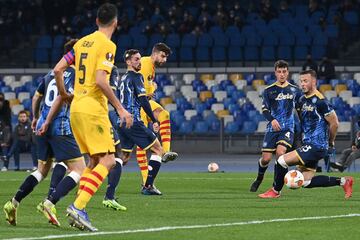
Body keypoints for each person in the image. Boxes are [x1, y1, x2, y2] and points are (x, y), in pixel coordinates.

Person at [53, 3, 132, 232]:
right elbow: (100, 80)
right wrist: (120, 108)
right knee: (109, 160)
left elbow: (58, 69)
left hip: (76, 107)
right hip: (92, 109)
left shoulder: (81, 43)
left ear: (97, 21)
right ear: (115, 23)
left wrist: (64, 94)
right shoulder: (108, 45)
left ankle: (79, 207)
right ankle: (78, 206)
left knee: (94, 162)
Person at [3, 39, 87, 227]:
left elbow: (36, 96)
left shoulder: (50, 74)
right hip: (59, 126)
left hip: (42, 123)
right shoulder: (73, 73)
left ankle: (13, 202)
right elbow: (61, 97)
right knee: (79, 169)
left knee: (41, 170)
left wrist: (36, 117)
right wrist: (48, 120)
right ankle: (49, 203)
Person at [258, 69, 353, 199]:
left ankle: (275, 191)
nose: (302, 84)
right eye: (301, 81)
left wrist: (330, 142)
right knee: (306, 181)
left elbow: (335, 123)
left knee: (281, 161)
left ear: (314, 82)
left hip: (317, 145)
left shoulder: (321, 101)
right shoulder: (301, 100)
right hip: (309, 143)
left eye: (305, 81)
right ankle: (343, 181)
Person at [116, 49, 178, 195]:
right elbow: (143, 100)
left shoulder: (123, 78)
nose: (139, 62)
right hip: (134, 120)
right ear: (129, 62)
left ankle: (100, 180)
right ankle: (148, 185)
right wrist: (154, 120)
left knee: (123, 158)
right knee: (157, 149)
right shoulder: (138, 75)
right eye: (136, 60)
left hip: (122, 121)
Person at [250, 60, 302, 192]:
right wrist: (272, 120)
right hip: (272, 128)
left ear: (288, 73)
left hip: (288, 128)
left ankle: (276, 186)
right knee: (266, 159)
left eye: (284, 71)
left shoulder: (295, 90)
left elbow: (301, 109)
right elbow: (265, 109)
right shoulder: (269, 91)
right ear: (275, 73)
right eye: (279, 72)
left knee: (280, 153)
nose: (282, 74)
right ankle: (259, 178)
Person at [136, 43, 173, 188]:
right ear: (155, 53)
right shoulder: (145, 64)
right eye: (163, 56)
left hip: (146, 103)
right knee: (142, 145)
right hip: (139, 105)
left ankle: (166, 152)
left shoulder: (151, 67)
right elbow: (140, 90)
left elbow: (146, 86)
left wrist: (152, 86)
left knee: (164, 115)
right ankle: (146, 179)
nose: (164, 60)